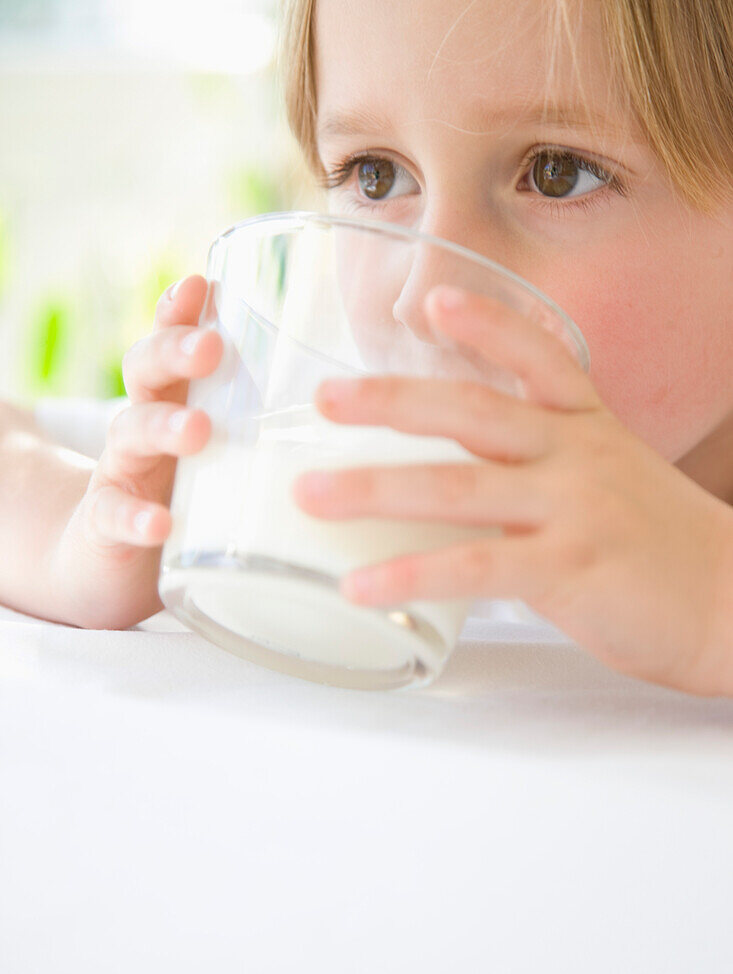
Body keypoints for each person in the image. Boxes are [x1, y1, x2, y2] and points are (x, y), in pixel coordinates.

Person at [0, 0, 731, 695]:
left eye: (556, 172)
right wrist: (79, 532)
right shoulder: (321, 465)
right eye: (376, 175)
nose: (421, 296)